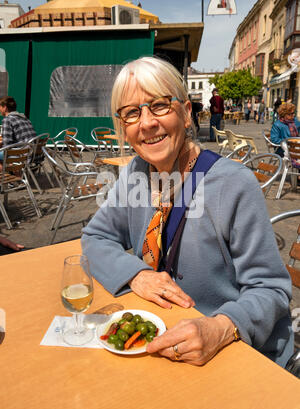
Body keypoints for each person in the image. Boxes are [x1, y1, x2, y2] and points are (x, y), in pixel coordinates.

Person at [81, 56, 293, 368]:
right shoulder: (136, 173)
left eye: (160, 105)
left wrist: (221, 327)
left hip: (234, 351)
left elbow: (271, 288)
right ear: (123, 129)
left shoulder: (233, 184)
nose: (147, 122)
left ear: (186, 112)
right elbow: (96, 236)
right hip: (162, 340)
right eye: (131, 113)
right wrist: (136, 274)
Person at [0, 96, 36, 162]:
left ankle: (8, 170)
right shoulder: (24, 118)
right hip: (34, 154)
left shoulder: (7, 120)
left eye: (0, 107)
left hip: (22, 156)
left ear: (5, 108)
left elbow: (7, 145)